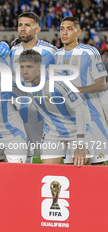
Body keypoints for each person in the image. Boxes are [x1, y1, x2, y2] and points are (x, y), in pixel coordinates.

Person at [18, 50, 93, 167]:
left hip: (76, 129)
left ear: (39, 67)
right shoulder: (24, 82)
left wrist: (80, 143)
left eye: (29, 67)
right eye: (22, 67)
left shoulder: (58, 82)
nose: (25, 71)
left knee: (78, 173)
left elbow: (80, 110)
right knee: (48, 171)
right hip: (53, 132)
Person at [56, 16, 108, 165]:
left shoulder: (89, 52)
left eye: (69, 29)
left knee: (98, 165)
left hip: (93, 117)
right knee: (74, 167)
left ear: (78, 32)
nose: (64, 32)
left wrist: (77, 90)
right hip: (70, 120)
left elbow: (102, 85)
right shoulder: (56, 55)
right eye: (62, 29)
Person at [10, 12, 58, 163]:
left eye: (27, 25)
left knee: (46, 158)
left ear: (37, 29)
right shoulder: (13, 51)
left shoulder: (50, 51)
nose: (22, 29)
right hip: (18, 110)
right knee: (20, 160)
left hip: (41, 112)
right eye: (20, 25)